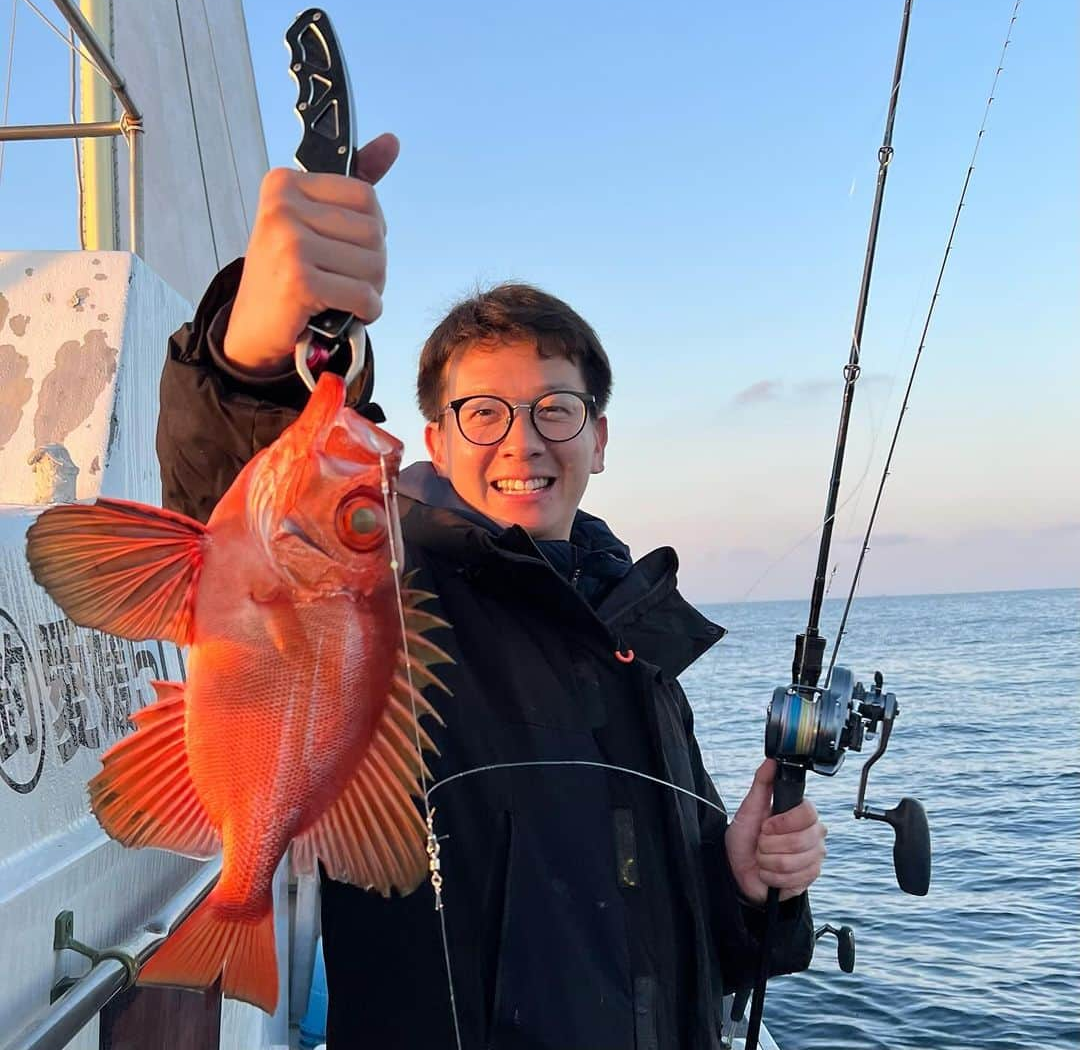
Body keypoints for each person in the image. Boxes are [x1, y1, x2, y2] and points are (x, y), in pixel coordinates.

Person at [156, 133, 827, 1049]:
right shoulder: (392, 587)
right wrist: (254, 349)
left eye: (556, 408)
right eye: (484, 411)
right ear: (434, 435)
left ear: (600, 438)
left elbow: (682, 943)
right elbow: (244, 511)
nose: (522, 442)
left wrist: (746, 889)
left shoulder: (636, 640)